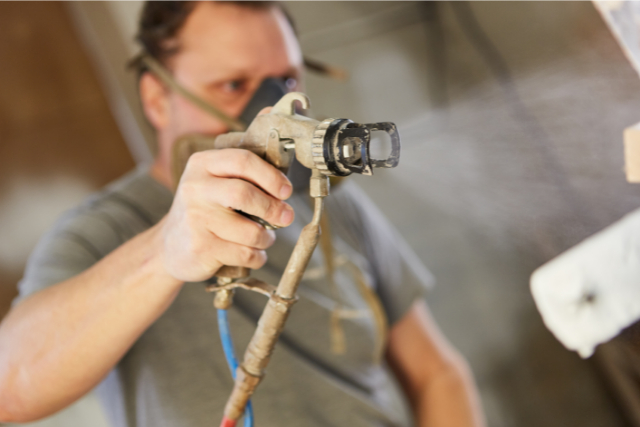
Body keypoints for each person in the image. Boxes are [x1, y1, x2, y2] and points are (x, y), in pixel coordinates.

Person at [0, 2, 485, 426]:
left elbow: (435, 373)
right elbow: (11, 386)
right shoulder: (104, 231)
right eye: (234, 85)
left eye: (286, 81)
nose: (270, 109)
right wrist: (164, 252)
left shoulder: (330, 202)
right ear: (156, 98)